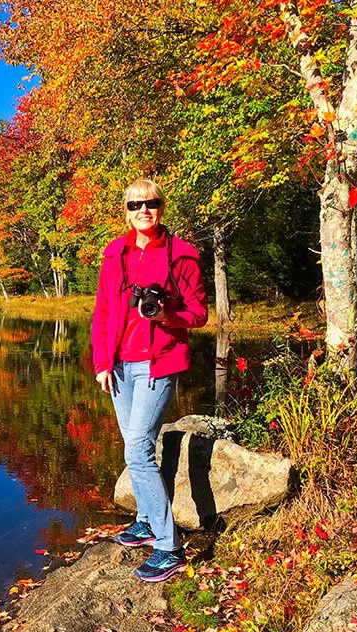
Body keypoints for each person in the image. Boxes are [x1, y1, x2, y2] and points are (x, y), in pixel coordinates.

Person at [92, 178, 208, 582]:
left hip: (159, 365)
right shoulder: (114, 254)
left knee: (138, 450)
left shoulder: (183, 256)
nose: (143, 210)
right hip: (120, 366)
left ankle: (168, 547)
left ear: (162, 207)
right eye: (134, 204)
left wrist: (165, 315)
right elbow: (104, 313)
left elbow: (198, 314)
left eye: (151, 203)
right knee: (133, 445)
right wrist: (102, 363)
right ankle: (144, 520)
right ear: (125, 210)